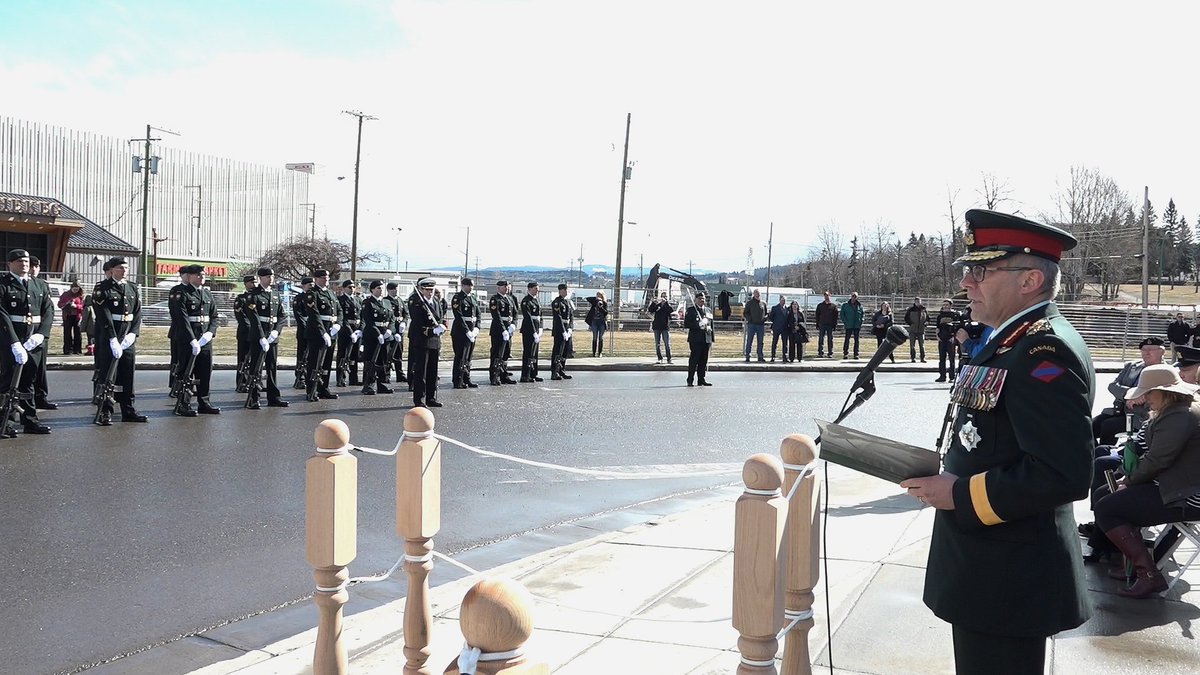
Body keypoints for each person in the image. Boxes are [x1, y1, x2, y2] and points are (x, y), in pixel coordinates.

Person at [900, 209, 1094, 673]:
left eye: (980, 270)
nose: (967, 282)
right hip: (989, 568)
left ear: (1029, 279)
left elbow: (1062, 472)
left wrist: (959, 493)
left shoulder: (1044, 351)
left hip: (1008, 577)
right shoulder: (1008, 341)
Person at [1093, 363, 1200, 598]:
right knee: (1105, 494)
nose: (1146, 398)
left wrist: (1128, 482)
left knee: (1107, 507)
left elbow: (1158, 460)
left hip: (1187, 496)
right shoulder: (1176, 411)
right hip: (1177, 487)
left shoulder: (1180, 416)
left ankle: (1148, 575)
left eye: (1149, 392)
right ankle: (1132, 562)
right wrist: (1126, 477)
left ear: (1164, 392)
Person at [0, 249, 53, 436]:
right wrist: (14, 342)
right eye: (19, 261)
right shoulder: (3, 284)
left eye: (26, 261)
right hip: (11, 339)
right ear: (9, 265)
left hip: (33, 339)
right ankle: (4, 421)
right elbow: (2, 315)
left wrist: (41, 335)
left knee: (29, 380)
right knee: (8, 380)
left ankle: (30, 420)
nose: (24, 264)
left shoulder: (39, 284)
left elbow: (48, 311)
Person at [90, 256, 146, 424]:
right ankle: (105, 410)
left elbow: (137, 313)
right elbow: (103, 314)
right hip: (109, 336)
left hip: (127, 336)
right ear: (112, 270)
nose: (124, 270)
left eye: (126, 268)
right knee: (108, 375)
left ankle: (128, 409)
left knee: (127, 374)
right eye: (120, 268)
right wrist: (113, 338)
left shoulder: (132, 288)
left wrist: (133, 333)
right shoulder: (102, 288)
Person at [169, 264, 221, 416]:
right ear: (190, 276)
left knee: (204, 371)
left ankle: (204, 402)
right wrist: (192, 339)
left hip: (204, 338)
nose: (201, 277)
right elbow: (181, 318)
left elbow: (214, 316)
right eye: (198, 275)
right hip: (187, 339)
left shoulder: (206, 294)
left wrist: (209, 334)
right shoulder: (181, 292)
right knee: (186, 372)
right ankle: (183, 403)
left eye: (203, 274)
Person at [1091, 337, 1162, 446]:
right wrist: (1129, 395)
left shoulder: (1166, 371)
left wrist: (1141, 397)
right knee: (1088, 426)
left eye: (1151, 349)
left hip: (1140, 417)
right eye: (1144, 349)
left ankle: (1105, 456)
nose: (1147, 353)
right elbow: (1113, 386)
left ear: (1162, 352)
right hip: (1119, 410)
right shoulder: (1132, 366)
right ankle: (1091, 454)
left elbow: (1159, 394)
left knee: (1108, 426)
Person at [243, 267, 289, 408]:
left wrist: (276, 331)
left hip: (272, 335)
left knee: (272, 367)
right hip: (259, 336)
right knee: (256, 368)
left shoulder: (275, 294)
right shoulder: (253, 295)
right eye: (268, 276)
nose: (271, 278)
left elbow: (282, 315)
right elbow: (254, 317)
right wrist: (262, 337)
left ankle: (274, 397)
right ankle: (253, 398)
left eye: (272, 276)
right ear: (261, 278)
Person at [301, 269, 342, 402]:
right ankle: (311, 390)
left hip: (332, 330)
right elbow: (314, 314)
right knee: (315, 363)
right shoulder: (312, 293)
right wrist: (323, 332)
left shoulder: (331, 293)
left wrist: (338, 324)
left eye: (327, 277)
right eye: (323, 277)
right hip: (317, 332)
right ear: (316, 279)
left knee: (327, 363)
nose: (326, 279)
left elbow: (339, 310)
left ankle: (323, 388)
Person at [407, 277, 446, 407]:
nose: (430, 292)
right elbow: (417, 324)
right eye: (427, 290)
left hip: (435, 341)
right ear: (421, 289)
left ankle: (431, 397)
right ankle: (419, 399)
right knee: (421, 371)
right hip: (422, 340)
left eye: (432, 289)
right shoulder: (417, 303)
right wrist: (432, 331)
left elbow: (439, 318)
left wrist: (441, 326)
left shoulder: (435, 301)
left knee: (432, 371)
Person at [27, 257, 56, 410]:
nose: (33, 269)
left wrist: (42, 333)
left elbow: (48, 310)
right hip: (22, 332)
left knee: (40, 368)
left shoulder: (42, 285)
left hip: (39, 333)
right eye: (31, 266)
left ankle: (40, 397)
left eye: (36, 266)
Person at [358, 280, 394, 396]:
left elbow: (392, 319)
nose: (381, 290)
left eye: (382, 288)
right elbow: (369, 320)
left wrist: (390, 330)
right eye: (378, 288)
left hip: (385, 334)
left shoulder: (387, 302)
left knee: (383, 360)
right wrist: (378, 334)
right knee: (371, 360)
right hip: (372, 336)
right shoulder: (367, 302)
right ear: (372, 289)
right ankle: (368, 384)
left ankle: (381, 384)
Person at [450, 278, 481, 389]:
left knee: (468, 357)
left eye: (472, 285)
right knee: (460, 356)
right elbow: (458, 316)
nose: (471, 287)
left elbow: (478, 314)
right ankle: (458, 380)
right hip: (460, 332)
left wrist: (477, 328)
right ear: (463, 285)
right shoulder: (457, 298)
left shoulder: (473, 298)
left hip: (472, 331)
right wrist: (467, 331)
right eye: (468, 285)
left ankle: (466, 378)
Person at [488, 280, 518, 385]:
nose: (506, 288)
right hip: (498, 330)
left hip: (509, 329)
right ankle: (494, 376)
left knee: (506, 353)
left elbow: (515, 313)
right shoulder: (495, 299)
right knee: (497, 354)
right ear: (498, 288)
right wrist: (503, 330)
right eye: (504, 286)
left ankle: (503, 375)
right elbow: (496, 316)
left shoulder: (510, 299)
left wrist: (514, 324)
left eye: (507, 286)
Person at [335, 279, 362, 388]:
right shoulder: (340, 300)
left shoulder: (358, 300)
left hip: (357, 329)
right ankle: (341, 378)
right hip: (346, 331)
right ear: (344, 288)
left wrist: (360, 329)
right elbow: (343, 318)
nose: (352, 289)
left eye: (353, 287)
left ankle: (353, 378)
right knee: (343, 355)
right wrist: (350, 332)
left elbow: (362, 316)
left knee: (354, 356)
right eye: (349, 287)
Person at [233, 274, 257, 393]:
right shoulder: (241, 299)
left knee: (256, 359)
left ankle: (255, 382)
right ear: (246, 284)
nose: (254, 284)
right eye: (251, 282)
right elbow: (241, 317)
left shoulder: (258, 297)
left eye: (255, 282)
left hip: (258, 333)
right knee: (243, 359)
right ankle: (242, 382)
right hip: (245, 333)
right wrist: (252, 328)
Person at [684, 291, 713, 386]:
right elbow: (687, 324)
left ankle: (701, 379)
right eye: (700, 298)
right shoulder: (691, 310)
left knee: (703, 360)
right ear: (696, 300)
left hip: (706, 338)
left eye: (703, 299)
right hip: (695, 339)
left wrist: (711, 336)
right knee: (694, 360)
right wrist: (698, 325)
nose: (701, 300)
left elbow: (711, 324)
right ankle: (690, 379)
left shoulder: (708, 310)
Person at [291, 276, 313, 390]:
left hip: (315, 330)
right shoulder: (298, 298)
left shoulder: (314, 297)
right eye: (309, 285)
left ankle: (310, 377)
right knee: (302, 355)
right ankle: (300, 378)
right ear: (304, 286)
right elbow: (298, 315)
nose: (312, 286)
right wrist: (307, 327)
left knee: (312, 356)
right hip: (304, 330)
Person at [519, 281, 544, 382]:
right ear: (529, 289)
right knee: (528, 352)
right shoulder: (526, 301)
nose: (537, 291)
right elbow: (528, 318)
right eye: (535, 289)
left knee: (535, 353)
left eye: (538, 289)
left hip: (537, 328)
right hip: (529, 330)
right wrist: (534, 331)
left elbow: (540, 316)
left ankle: (533, 373)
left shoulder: (536, 300)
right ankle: (526, 375)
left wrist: (541, 328)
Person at [385, 282, 408, 385]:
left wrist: (404, 322)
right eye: (393, 289)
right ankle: (387, 374)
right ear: (389, 290)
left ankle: (400, 374)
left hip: (400, 329)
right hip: (391, 330)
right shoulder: (386, 301)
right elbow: (390, 317)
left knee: (399, 352)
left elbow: (406, 314)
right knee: (389, 353)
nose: (395, 291)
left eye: (396, 289)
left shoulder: (399, 300)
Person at [550, 283, 574, 380]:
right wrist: (563, 331)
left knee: (565, 351)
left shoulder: (567, 302)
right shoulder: (557, 302)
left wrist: (570, 328)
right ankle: (555, 372)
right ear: (561, 290)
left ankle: (562, 370)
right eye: (566, 290)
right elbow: (558, 317)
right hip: (559, 330)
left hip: (567, 328)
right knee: (558, 351)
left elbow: (571, 316)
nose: (568, 292)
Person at [934, 299, 962, 382]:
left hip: (951, 338)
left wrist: (956, 338)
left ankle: (952, 377)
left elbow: (958, 327)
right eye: (944, 305)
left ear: (950, 305)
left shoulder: (955, 315)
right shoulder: (940, 316)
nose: (945, 306)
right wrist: (937, 336)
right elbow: (937, 327)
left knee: (951, 358)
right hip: (942, 338)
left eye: (947, 305)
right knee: (941, 358)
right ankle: (942, 376)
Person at [58, 281, 84, 355]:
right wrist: (67, 304)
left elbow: (83, 306)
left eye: (77, 289)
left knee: (77, 333)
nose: (75, 291)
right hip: (67, 316)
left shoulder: (80, 296)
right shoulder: (65, 294)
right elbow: (60, 304)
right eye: (74, 289)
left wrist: (76, 306)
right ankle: (68, 349)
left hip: (77, 317)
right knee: (67, 333)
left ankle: (77, 350)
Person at [648, 292, 675, 364]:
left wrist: (666, 303)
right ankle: (659, 358)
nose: (663, 298)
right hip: (657, 326)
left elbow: (671, 310)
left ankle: (669, 358)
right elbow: (650, 310)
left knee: (667, 343)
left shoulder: (667, 306)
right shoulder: (657, 305)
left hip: (665, 327)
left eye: (665, 297)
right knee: (657, 343)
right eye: (662, 297)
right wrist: (654, 302)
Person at [742, 289, 766, 363]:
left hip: (761, 325)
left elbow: (766, 313)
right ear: (753, 294)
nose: (757, 294)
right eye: (756, 293)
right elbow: (745, 313)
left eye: (758, 293)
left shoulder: (763, 303)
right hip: (752, 325)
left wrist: (765, 318)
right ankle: (748, 356)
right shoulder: (749, 303)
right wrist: (750, 319)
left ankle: (760, 356)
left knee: (760, 342)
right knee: (749, 340)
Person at [839, 291, 864, 360]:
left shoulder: (860, 306)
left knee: (856, 340)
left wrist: (860, 322)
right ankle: (845, 353)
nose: (854, 297)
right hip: (848, 325)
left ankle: (856, 354)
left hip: (857, 325)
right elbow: (842, 314)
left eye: (855, 296)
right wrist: (845, 322)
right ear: (851, 296)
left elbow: (862, 315)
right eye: (853, 296)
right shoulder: (845, 305)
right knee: (847, 339)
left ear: (857, 297)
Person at [813, 291, 838, 358]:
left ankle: (830, 353)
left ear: (830, 296)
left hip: (830, 325)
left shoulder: (833, 306)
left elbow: (836, 317)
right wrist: (817, 324)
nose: (826, 297)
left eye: (827, 295)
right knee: (821, 339)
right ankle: (820, 352)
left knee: (830, 339)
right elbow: (817, 315)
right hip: (822, 324)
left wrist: (834, 325)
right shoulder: (820, 305)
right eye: (825, 295)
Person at [904, 297, 929, 363]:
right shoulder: (911, 309)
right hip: (912, 330)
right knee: (912, 345)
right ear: (914, 302)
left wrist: (926, 323)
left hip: (921, 330)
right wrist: (911, 324)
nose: (918, 302)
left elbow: (928, 319)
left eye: (919, 301)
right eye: (916, 301)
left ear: (921, 301)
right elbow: (906, 318)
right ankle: (913, 358)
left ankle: (922, 358)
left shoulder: (924, 309)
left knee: (922, 345)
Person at [586, 290, 609, 357]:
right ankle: (593, 353)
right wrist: (596, 299)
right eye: (597, 295)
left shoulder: (604, 303)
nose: (598, 296)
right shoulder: (594, 302)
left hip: (601, 322)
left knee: (601, 338)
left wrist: (600, 307)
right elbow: (588, 299)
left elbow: (605, 313)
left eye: (600, 295)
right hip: (594, 322)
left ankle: (600, 353)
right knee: (594, 337)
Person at [767, 294, 789, 363]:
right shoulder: (775, 308)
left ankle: (784, 357)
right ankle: (773, 356)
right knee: (774, 342)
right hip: (776, 328)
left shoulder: (788, 308)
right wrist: (776, 322)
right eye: (782, 300)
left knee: (785, 343)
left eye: (784, 300)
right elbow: (771, 317)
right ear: (779, 300)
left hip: (785, 328)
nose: (783, 302)